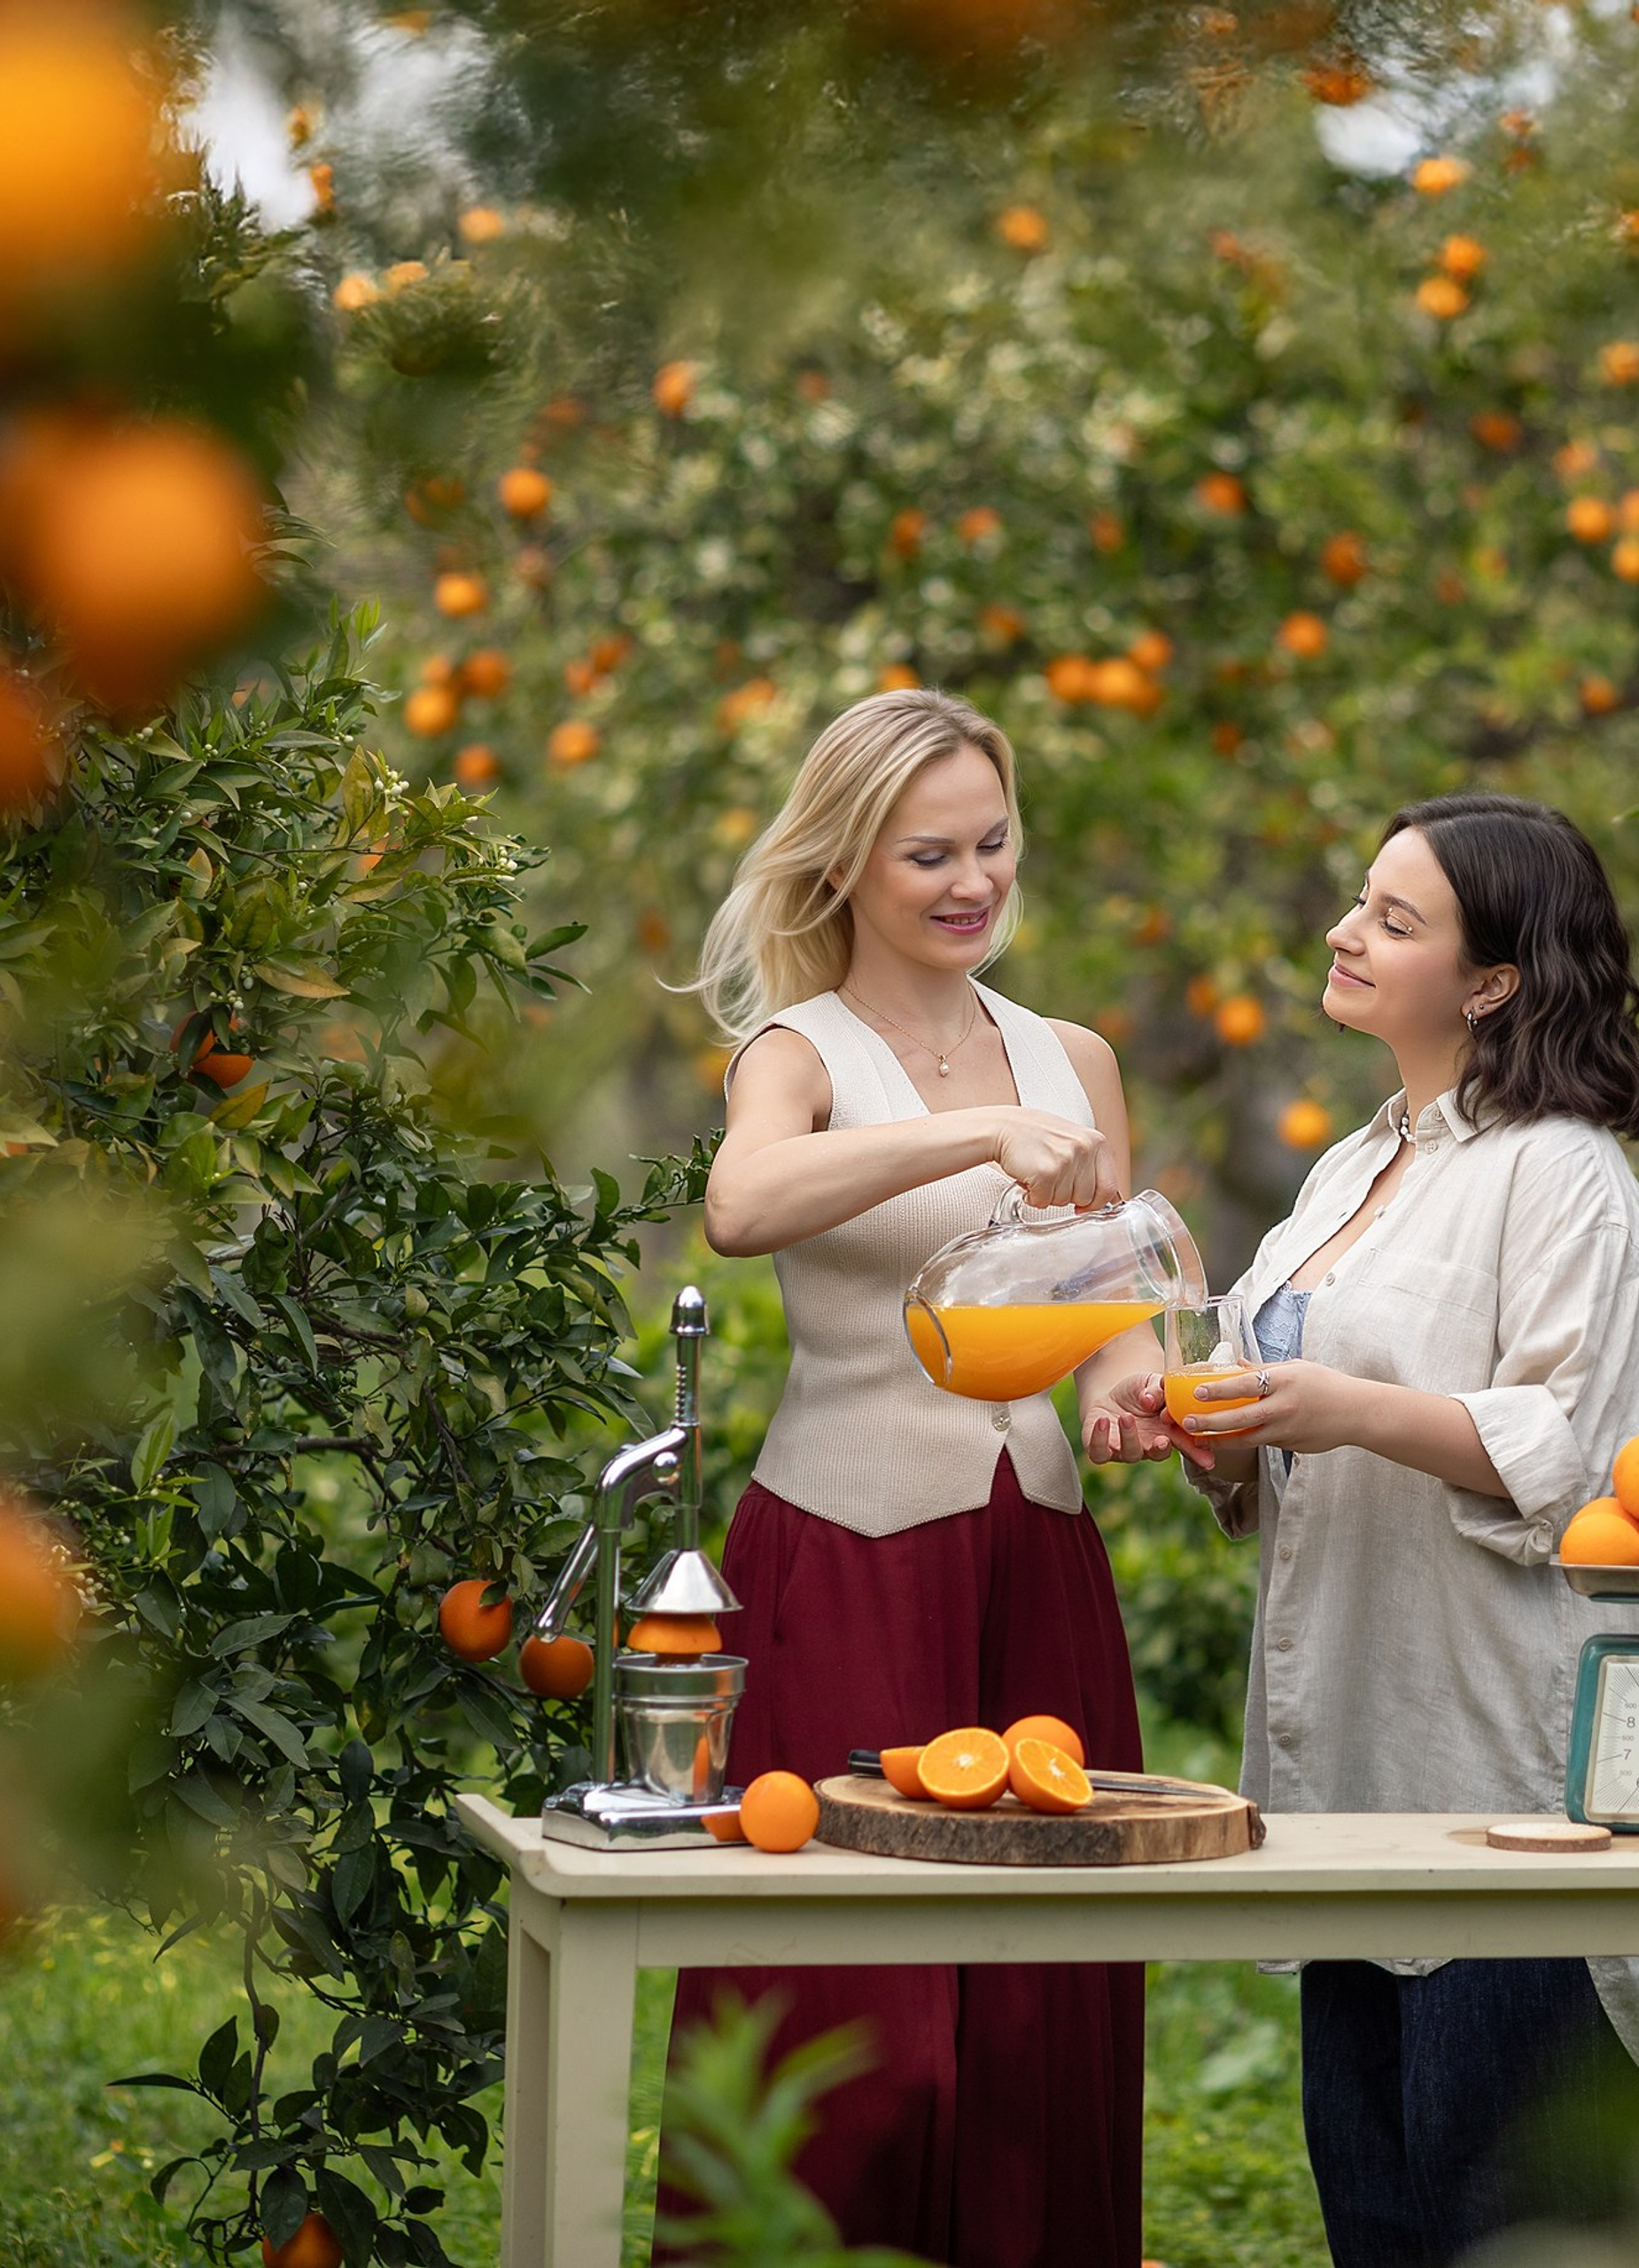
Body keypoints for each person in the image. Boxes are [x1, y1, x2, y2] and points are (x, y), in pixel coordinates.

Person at [1094, 792, 1639, 2268]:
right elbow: (1274, 1413)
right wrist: (1208, 1427)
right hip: (1349, 1777)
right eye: (1361, 900)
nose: (1345, 932)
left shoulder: (1562, 1174)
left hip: (1498, 1779)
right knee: (1381, 2220)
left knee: (1524, 2226)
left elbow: (1573, 1451)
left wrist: (1348, 1409)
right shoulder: (1350, 1170)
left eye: (1393, 919)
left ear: (1492, 982)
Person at [657, 687, 1179, 2265]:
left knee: (1040, 2009)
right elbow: (741, 1207)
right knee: (857, 2021)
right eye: (928, 854)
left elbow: (1116, 1298)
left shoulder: (1074, 1058)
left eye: (992, 845)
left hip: (1038, 1567)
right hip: (846, 1560)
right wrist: (975, 1136)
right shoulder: (793, 1054)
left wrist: (1132, 1387)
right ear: (843, 865)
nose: (973, 883)